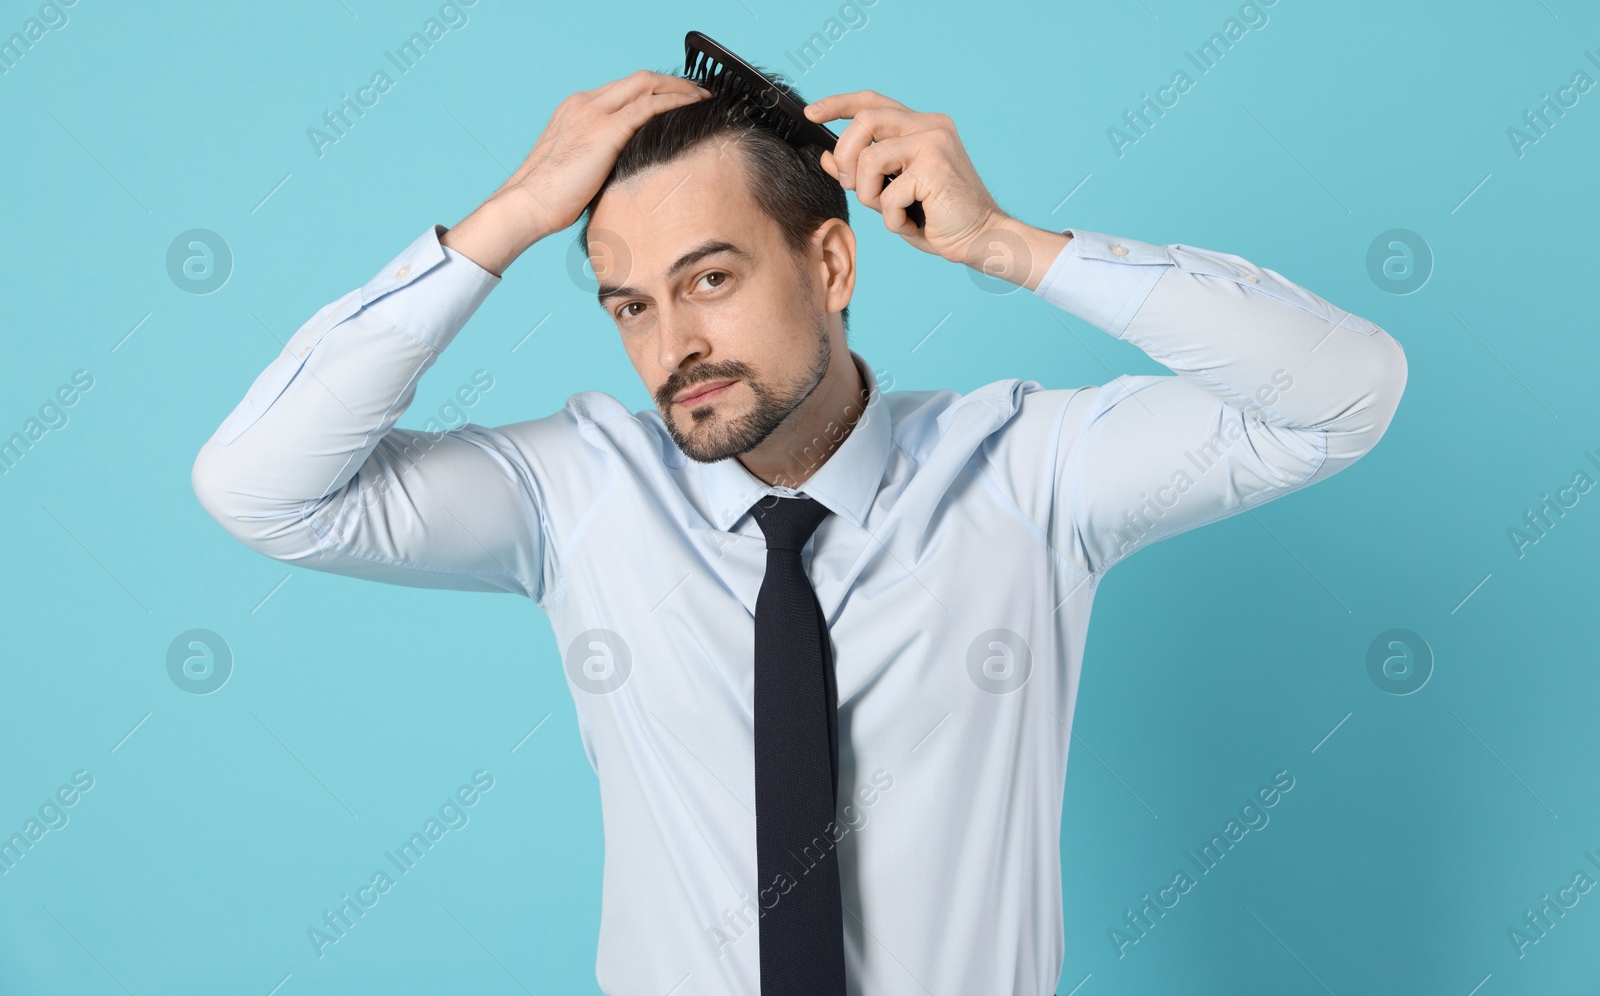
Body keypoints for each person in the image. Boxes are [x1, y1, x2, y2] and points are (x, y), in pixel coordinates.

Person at [191, 67, 1407, 995]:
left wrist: (1008, 247)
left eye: (710, 278)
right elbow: (262, 486)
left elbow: (1343, 393)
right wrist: (505, 221)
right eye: (631, 302)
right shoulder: (573, 491)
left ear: (831, 261)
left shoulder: (1029, 473)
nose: (672, 348)